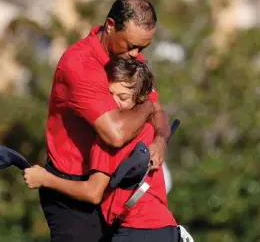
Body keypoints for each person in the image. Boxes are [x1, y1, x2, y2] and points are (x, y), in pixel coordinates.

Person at [24, 0, 171, 242]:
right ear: (111, 25)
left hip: (110, 187)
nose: (136, 55)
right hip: (72, 188)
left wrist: (161, 141)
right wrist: (147, 106)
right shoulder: (79, 64)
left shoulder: (128, 58)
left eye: (142, 49)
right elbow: (115, 134)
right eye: (131, 45)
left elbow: (161, 112)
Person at [25, 59, 191, 242]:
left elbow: (92, 192)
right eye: (109, 94)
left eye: (122, 97)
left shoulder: (108, 141)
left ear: (140, 98)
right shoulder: (149, 127)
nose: (113, 102)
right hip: (165, 229)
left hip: (137, 231)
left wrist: (45, 179)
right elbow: (158, 112)